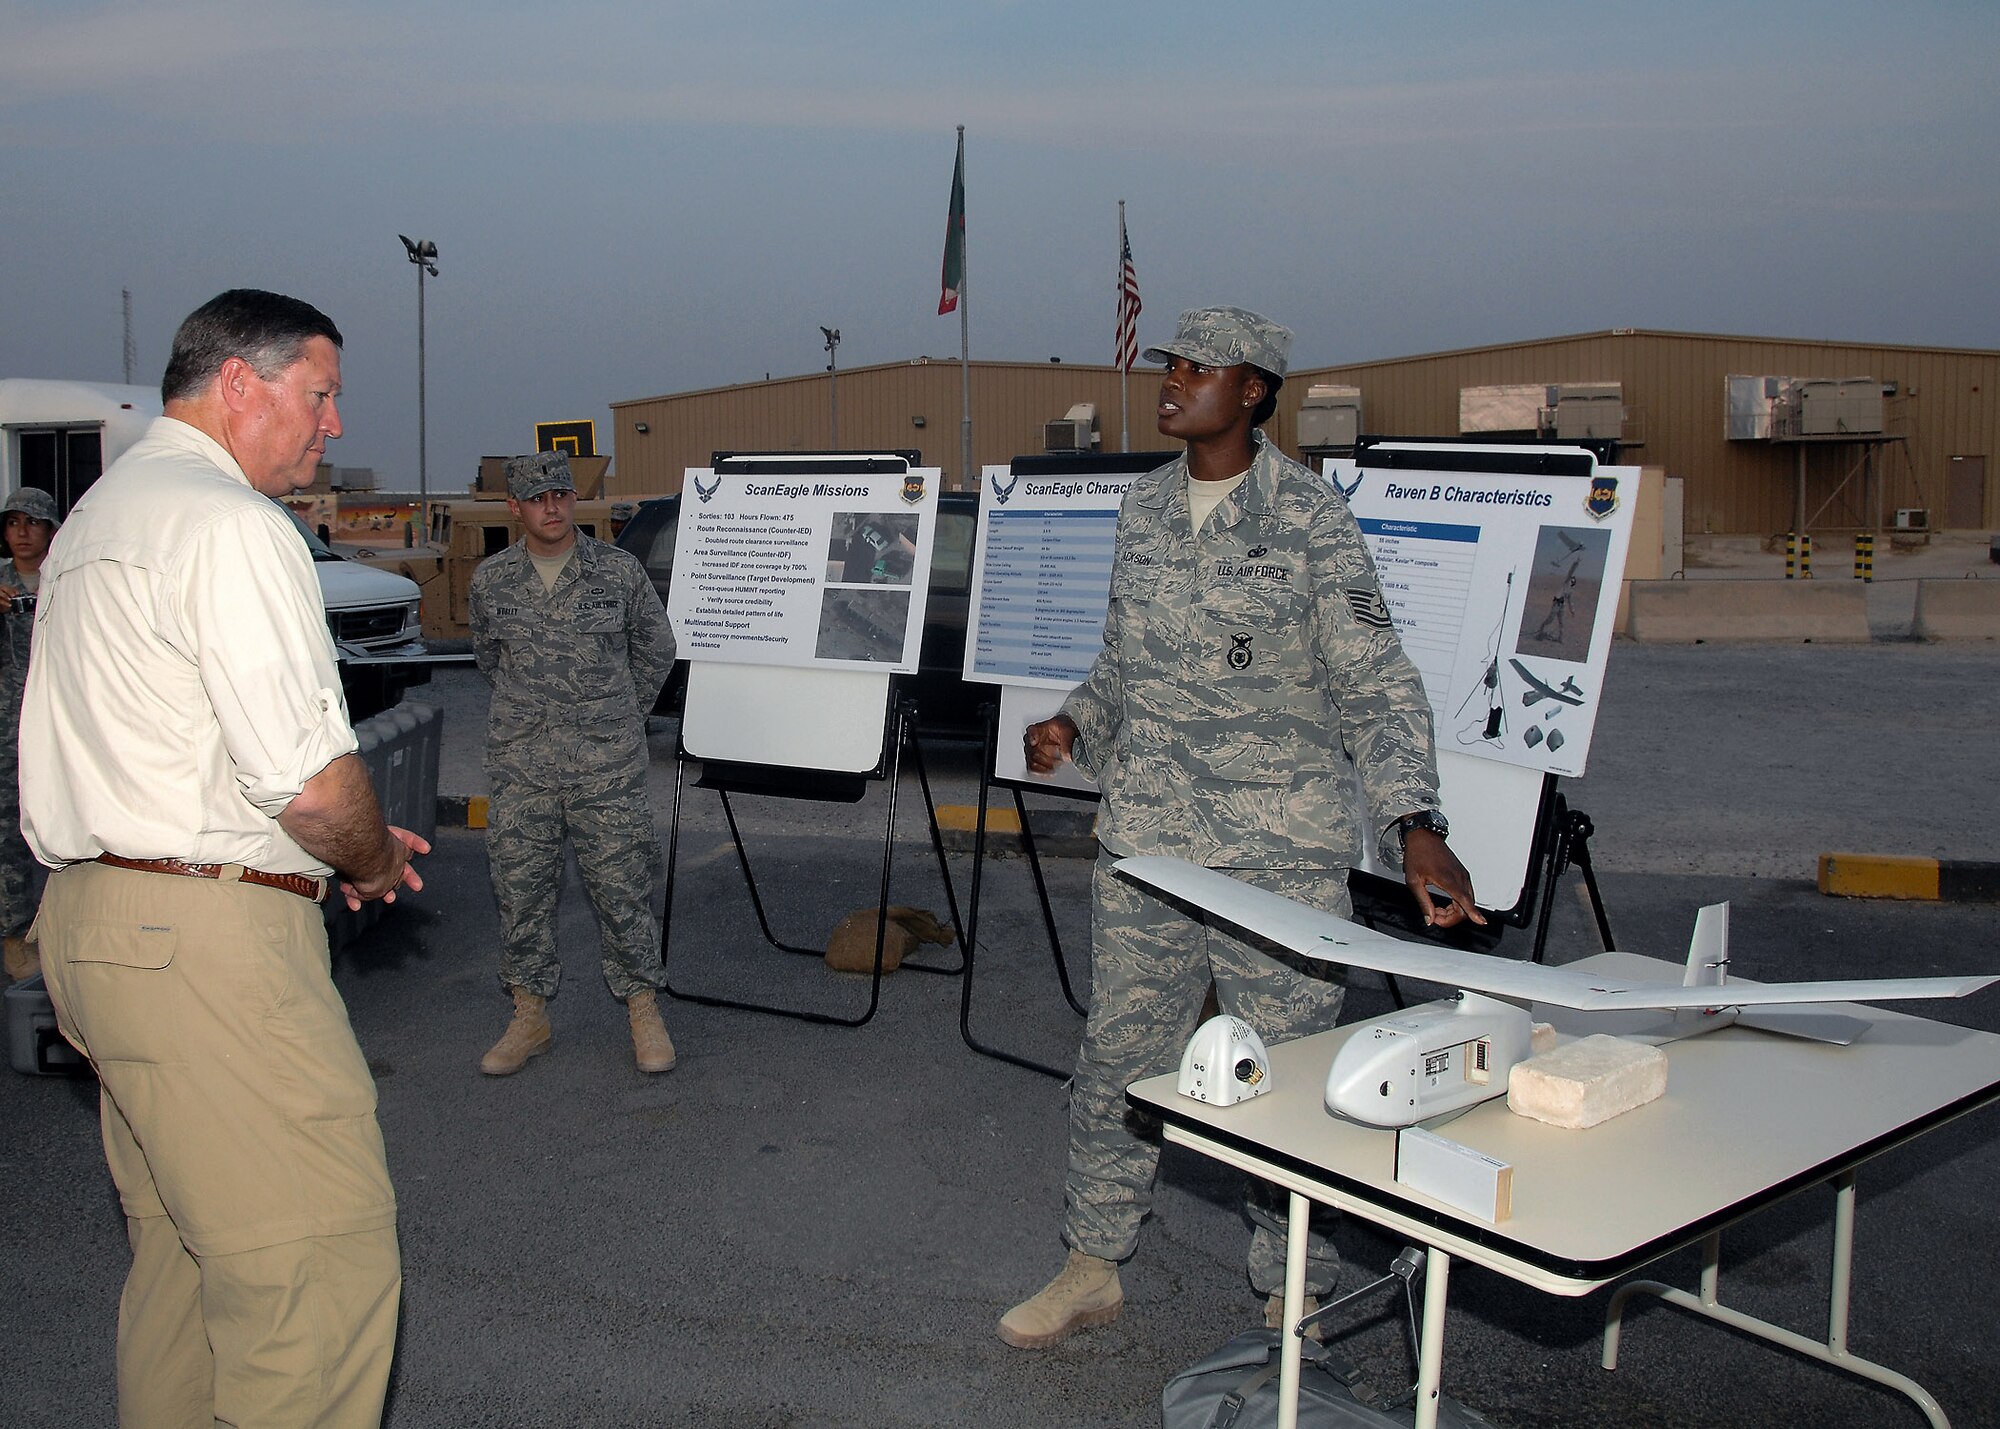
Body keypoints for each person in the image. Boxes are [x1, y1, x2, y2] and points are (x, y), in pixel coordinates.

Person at [998, 306, 1483, 1350]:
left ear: (1253, 389)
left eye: (1196, 368)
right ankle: (1092, 1261)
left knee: (1287, 1080)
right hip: (1151, 847)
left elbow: (1375, 683)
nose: (1171, 382)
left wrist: (1411, 821)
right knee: (1118, 1059)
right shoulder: (1141, 511)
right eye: (1168, 365)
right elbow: (1122, 661)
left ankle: (1292, 1282)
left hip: (1276, 852)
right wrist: (1073, 721)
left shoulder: (1309, 518)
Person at [20, 288, 428, 1426]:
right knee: (315, 1268)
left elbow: (165, 749)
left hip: (98, 927)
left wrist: (334, 836)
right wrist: (367, 857)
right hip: (206, 946)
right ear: (239, 384)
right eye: (320, 392)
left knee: (187, 1266)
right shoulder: (232, 524)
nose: (332, 424)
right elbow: (305, 783)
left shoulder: (100, 518)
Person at [470, 450, 679, 1076]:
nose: (552, 506)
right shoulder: (491, 581)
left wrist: (620, 717)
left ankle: (643, 1010)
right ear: (516, 508)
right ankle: (529, 1015)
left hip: (605, 772)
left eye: (561, 494)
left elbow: (657, 648)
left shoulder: (616, 572)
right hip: (523, 769)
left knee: (622, 891)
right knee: (521, 892)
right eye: (538, 498)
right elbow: (489, 659)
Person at [0, 486, 58, 983]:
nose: (22, 532)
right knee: (9, 833)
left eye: (32, 522)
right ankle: (15, 935)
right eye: (14, 522)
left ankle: (62, 931)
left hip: (58, 726)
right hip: (6, 732)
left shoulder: (69, 580)